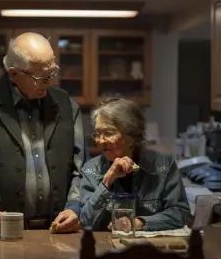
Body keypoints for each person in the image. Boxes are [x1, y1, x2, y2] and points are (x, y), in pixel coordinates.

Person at [0, 32, 89, 237]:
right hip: (2, 236)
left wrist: (75, 206)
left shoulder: (67, 106)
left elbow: (82, 171)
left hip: (58, 233)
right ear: (14, 74)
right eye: (41, 77)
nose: (49, 82)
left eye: (52, 73)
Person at [77, 98, 190, 231]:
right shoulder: (91, 169)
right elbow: (85, 221)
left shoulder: (163, 165)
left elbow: (180, 212)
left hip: (152, 248)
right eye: (97, 134)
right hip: (104, 247)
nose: (100, 140)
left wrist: (138, 223)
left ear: (132, 136)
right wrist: (106, 183)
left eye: (108, 133)